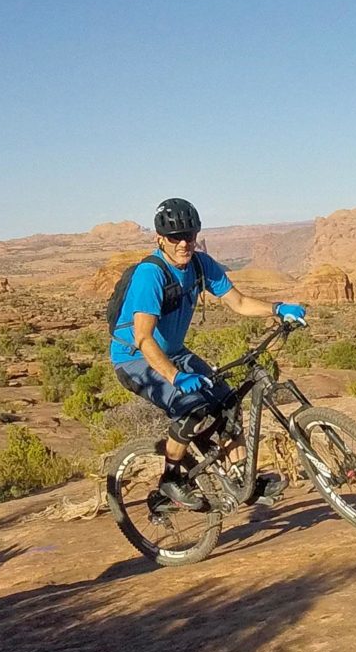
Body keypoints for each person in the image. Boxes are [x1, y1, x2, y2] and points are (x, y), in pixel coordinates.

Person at [109, 197, 305, 508]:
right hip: (134, 357)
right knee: (191, 408)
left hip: (175, 352)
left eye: (190, 235)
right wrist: (175, 376)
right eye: (175, 237)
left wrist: (279, 309)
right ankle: (171, 478)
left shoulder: (201, 264)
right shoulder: (151, 275)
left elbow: (238, 303)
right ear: (160, 238)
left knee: (228, 403)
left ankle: (244, 481)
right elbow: (144, 338)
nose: (184, 243)